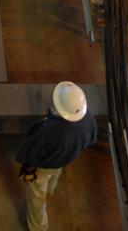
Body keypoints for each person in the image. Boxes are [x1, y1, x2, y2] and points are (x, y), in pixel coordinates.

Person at [14, 81, 98, 231]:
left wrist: (26, 161)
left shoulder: (52, 130)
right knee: (55, 174)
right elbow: (92, 138)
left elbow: (34, 150)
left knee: (37, 196)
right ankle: (51, 189)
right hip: (63, 159)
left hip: (45, 165)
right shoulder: (87, 118)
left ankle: (38, 227)